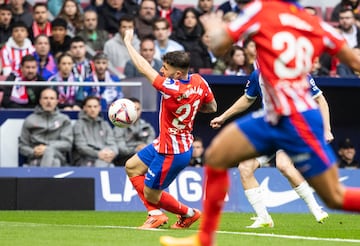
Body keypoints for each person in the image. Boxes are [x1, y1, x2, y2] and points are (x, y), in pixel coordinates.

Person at [160, 1, 360, 246]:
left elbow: (220, 45)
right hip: (275, 118)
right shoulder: (317, 25)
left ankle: (206, 237)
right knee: (218, 155)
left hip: (296, 120)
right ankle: (204, 238)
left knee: (332, 196)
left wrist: (213, 27)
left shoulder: (262, 11)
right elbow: (355, 63)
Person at [210, 69, 331, 228]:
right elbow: (247, 99)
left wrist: (327, 129)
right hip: (269, 129)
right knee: (245, 167)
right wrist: (223, 117)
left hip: (293, 128)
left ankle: (316, 209)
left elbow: (320, 99)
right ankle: (264, 218)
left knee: (283, 165)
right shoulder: (257, 74)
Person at [123, 28, 217, 229]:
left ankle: (188, 214)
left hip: (172, 151)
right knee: (131, 167)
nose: (161, 71)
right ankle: (155, 214)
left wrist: (128, 43)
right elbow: (212, 107)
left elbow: (143, 67)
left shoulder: (170, 87)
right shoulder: (199, 81)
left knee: (151, 194)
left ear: (177, 73)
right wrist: (192, 104)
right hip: (167, 143)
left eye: (165, 68)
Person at [18, 87, 73, 167]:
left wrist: (47, 148)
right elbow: (22, 146)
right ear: (40, 101)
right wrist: (33, 152)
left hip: (58, 154)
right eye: (45, 98)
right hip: (35, 156)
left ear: (57, 101)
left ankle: (42, 178)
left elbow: (67, 144)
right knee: (54, 163)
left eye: (52, 98)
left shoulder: (64, 120)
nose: (48, 101)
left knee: (50, 153)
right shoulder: (30, 120)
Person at [73, 96, 118, 167]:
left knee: (111, 166)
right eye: (89, 106)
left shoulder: (105, 124)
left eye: (95, 106)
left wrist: (111, 153)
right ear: (84, 108)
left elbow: (112, 143)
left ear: (99, 108)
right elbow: (80, 146)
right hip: (85, 160)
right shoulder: (79, 124)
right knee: (102, 164)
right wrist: (98, 154)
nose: (92, 109)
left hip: (105, 159)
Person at [113, 97, 156, 166]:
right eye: (133, 109)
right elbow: (121, 148)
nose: (136, 112)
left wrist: (144, 149)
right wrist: (135, 149)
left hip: (145, 157)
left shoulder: (147, 127)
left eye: (138, 109)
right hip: (125, 159)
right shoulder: (119, 126)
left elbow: (151, 145)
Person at [170, 7, 212, 72]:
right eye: (187, 17)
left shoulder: (202, 36)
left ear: (197, 20)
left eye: (193, 17)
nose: (189, 20)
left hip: (201, 72)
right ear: (183, 19)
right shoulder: (175, 36)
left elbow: (206, 57)